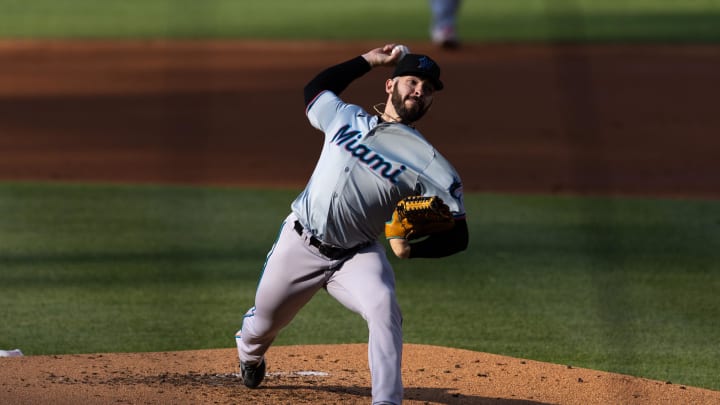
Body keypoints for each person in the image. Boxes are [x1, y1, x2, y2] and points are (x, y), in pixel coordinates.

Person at [235, 44, 469, 404]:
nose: (420, 90)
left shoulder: (430, 162)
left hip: (356, 255)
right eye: (412, 81)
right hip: (300, 243)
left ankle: (386, 400)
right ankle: (250, 356)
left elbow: (459, 235)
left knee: (383, 305)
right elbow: (315, 89)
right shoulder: (346, 117)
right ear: (390, 86)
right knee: (261, 326)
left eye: (428, 88)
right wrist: (368, 61)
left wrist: (411, 250)